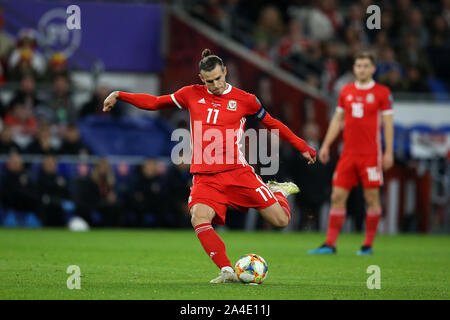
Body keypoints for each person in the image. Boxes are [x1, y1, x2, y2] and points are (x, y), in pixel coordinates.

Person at [103, 49, 317, 283]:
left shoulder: (246, 100)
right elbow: (155, 102)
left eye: (219, 78)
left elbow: (272, 123)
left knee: (281, 221)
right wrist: (120, 94)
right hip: (206, 177)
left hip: (237, 172)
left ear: (225, 72)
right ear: (201, 79)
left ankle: (278, 191)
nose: (215, 84)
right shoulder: (190, 94)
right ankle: (226, 270)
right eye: (209, 81)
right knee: (198, 216)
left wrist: (301, 145)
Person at [308, 51, 394, 256]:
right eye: (358, 66)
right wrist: (327, 144)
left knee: (371, 198)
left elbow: (388, 124)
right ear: (354, 68)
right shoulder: (346, 91)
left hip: (371, 156)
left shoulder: (382, 93)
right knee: (337, 196)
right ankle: (330, 244)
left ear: (373, 69)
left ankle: (367, 245)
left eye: (365, 66)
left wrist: (388, 152)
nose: (362, 69)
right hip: (348, 155)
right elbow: (337, 120)